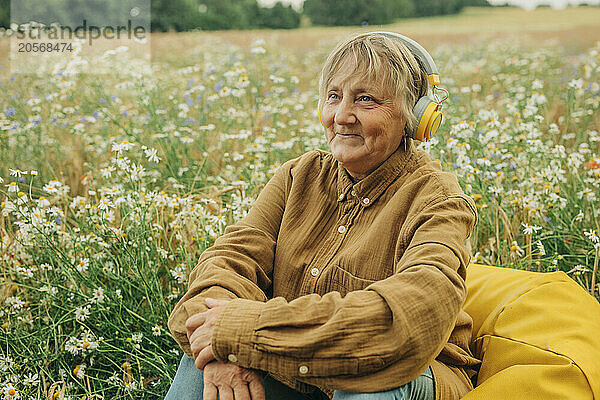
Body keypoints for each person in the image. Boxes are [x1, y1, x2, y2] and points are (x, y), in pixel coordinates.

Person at [165, 31, 481, 400]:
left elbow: (403, 320)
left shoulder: (439, 200)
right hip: (300, 369)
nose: (342, 116)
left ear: (415, 117)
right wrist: (221, 346)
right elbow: (229, 262)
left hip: (410, 374)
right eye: (334, 97)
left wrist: (246, 330)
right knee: (203, 362)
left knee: (369, 383)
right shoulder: (297, 176)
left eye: (365, 100)